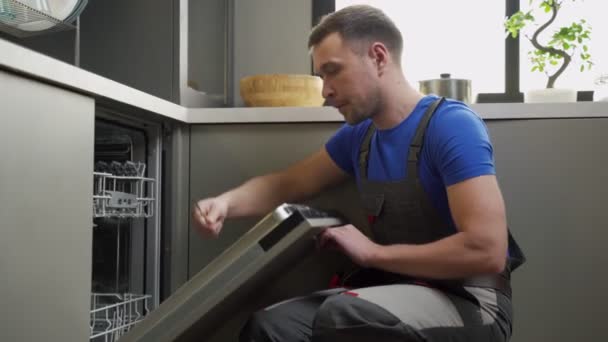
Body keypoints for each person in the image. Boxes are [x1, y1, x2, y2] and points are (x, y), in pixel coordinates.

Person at [192, 4, 524, 342]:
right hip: (399, 291)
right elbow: (287, 183)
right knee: (272, 326)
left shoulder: (451, 125)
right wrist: (225, 204)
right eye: (321, 76)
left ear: (378, 57)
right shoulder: (359, 138)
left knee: (345, 317)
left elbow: (488, 251)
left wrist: (373, 254)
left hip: (471, 301)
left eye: (333, 71)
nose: (325, 91)